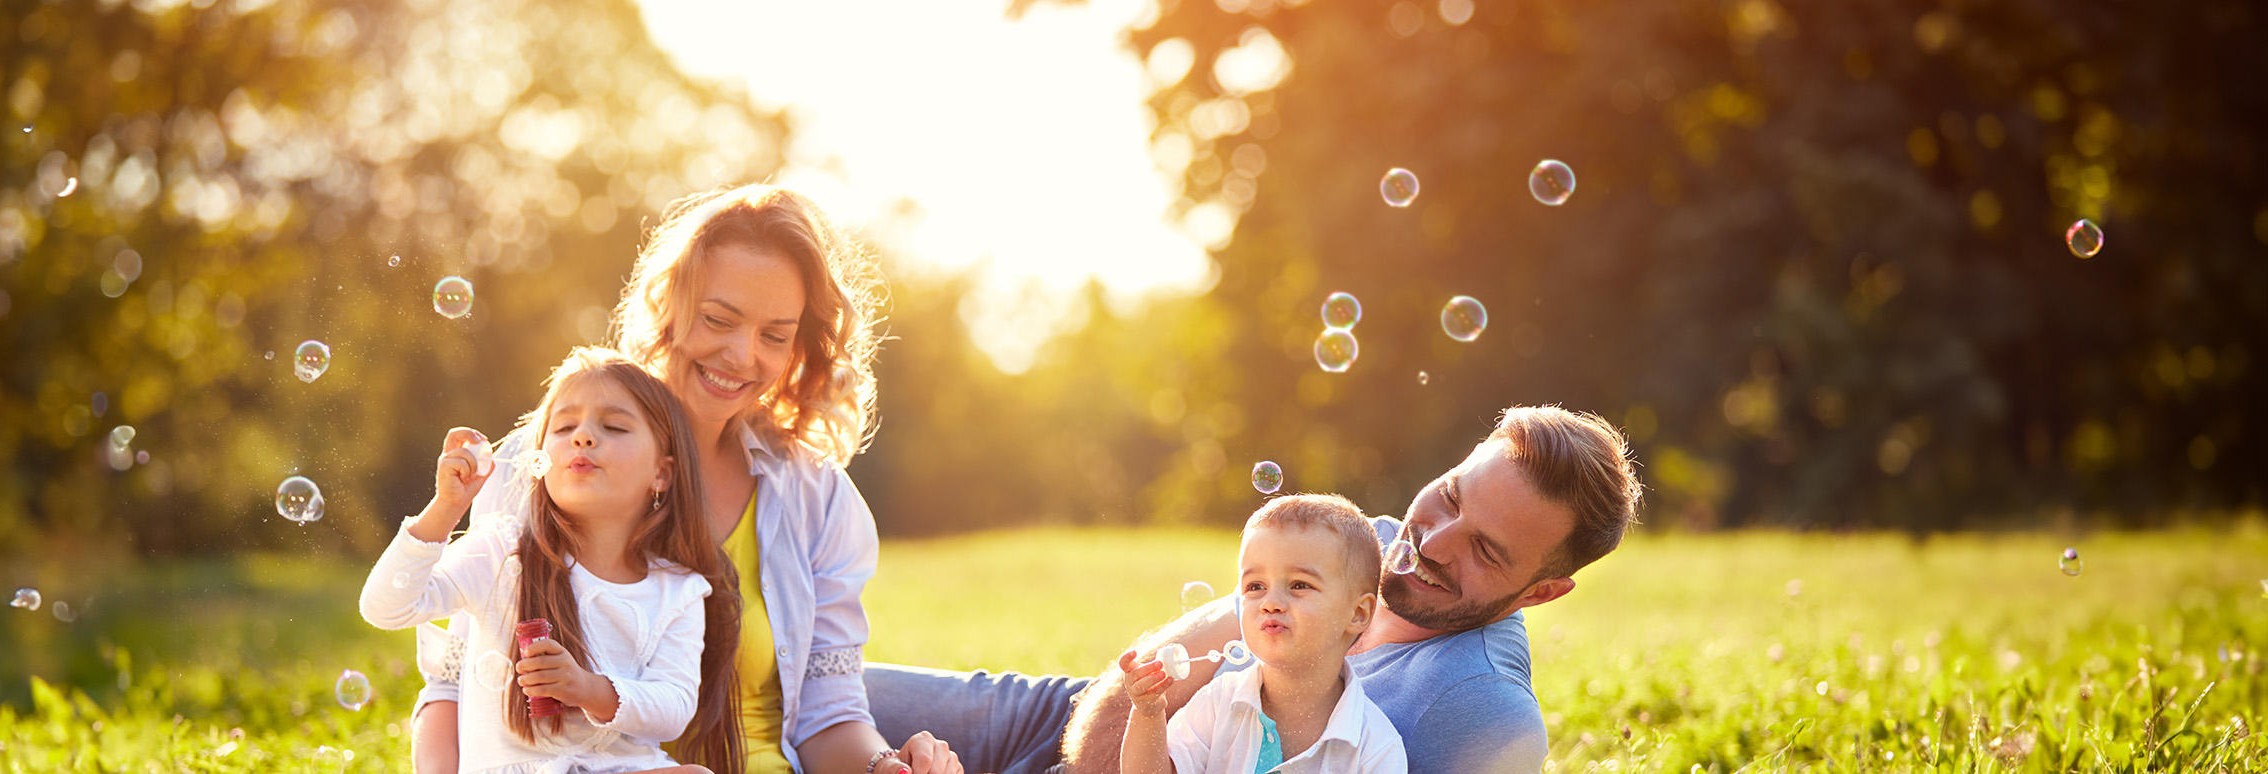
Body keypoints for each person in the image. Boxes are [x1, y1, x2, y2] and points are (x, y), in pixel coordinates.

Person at [415, 185, 963, 774]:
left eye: (774, 336)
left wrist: (884, 767)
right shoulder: (545, 464)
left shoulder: (817, 496)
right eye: (718, 320)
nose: (741, 355)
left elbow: (828, 718)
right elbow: (451, 685)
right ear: (668, 306)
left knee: (1064, 716)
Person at [864, 405, 1643, 774]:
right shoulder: (1360, 540)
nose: (1427, 544)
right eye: (1447, 497)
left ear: (1541, 593)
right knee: (785, 691)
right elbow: (1137, 680)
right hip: (1060, 714)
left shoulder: (1482, 715)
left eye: (1484, 549)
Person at [360, 347, 732, 773]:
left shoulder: (678, 589)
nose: (584, 436)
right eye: (565, 426)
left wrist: (590, 689)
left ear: (661, 474)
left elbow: (674, 707)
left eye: (613, 426)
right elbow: (385, 607)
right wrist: (446, 508)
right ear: (540, 462)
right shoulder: (502, 553)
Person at [1120, 494, 1406, 774]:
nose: (1270, 603)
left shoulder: (1374, 747)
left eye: (1299, 585)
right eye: (1255, 586)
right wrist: (1148, 714)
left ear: (1357, 613)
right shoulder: (1219, 702)